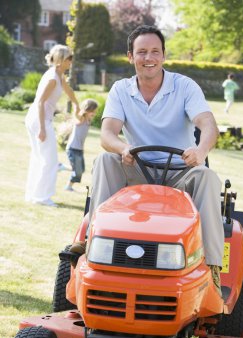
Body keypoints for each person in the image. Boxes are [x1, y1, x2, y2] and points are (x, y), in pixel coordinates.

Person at [82, 25, 224, 295]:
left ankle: (212, 267)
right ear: (130, 56)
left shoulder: (184, 86)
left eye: (155, 52)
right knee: (105, 159)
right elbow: (107, 134)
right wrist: (122, 147)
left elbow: (208, 125)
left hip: (181, 172)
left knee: (207, 176)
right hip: (138, 169)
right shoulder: (120, 90)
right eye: (142, 52)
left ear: (164, 55)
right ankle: (92, 242)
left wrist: (201, 152)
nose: (149, 58)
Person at [25, 44, 80, 207]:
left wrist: (76, 104)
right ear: (61, 60)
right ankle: (42, 198)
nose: (71, 61)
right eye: (69, 58)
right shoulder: (51, 78)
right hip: (39, 120)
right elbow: (41, 103)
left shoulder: (58, 75)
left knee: (39, 158)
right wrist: (42, 128)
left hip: (36, 119)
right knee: (50, 161)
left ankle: (33, 195)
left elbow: (68, 89)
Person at [65, 98, 98, 191]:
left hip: (79, 149)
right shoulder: (81, 118)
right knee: (77, 170)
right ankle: (68, 185)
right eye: (93, 111)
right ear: (87, 110)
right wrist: (76, 105)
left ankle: (68, 184)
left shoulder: (88, 120)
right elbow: (77, 114)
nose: (94, 113)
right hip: (73, 148)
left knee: (81, 170)